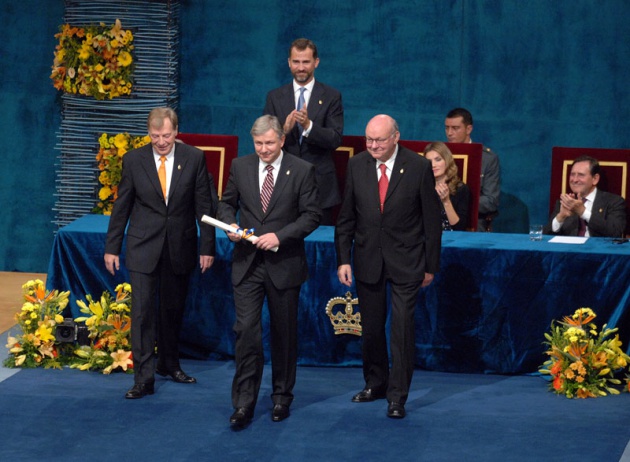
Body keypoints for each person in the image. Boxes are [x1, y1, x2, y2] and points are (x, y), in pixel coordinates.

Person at [104, 107, 217, 399]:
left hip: (180, 246)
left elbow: (204, 206)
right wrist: (112, 247)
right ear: (149, 133)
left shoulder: (194, 158)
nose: (161, 141)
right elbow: (122, 207)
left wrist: (207, 247)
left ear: (176, 131)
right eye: (155, 136)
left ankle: (169, 364)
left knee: (172, 310)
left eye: (166, 135)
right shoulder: (133, 160)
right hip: (143, 247)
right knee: (142, 313)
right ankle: (143, 378)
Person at [335, 114, 442, 419]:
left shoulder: (419, 166)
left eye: (380, 139)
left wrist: (430, 265)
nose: (373, 145)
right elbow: (346, 217)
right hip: (368, 259)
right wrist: (343, 257)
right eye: (369, 139)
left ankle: (397, 396)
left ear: (396, 137)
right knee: (370, 330)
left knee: (402, 330)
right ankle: (375, 384)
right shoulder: (357, 165)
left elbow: (431, 221)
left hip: (408, 262)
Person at [218, 115, 321, 428]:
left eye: (269, 143)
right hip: (247, 263)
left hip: (284, 264)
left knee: (283, 334)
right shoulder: (240, 166)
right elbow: (226, 204)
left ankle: (281, 397)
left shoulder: (302, 171)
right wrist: (230, 226)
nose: (263, 149)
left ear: (282, 141)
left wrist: (280, 236)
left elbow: (312, 216)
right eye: (258, 143)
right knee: (246, 332)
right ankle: (244, 404)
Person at [263, 38, 343, 225]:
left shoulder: (331, 96)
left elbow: (335, 139)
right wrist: (283, 130)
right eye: (296, 62)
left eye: (306, 62)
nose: (301, 67)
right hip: (282, 187)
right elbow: (264, 141)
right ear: (289, 62)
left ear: (316, 62)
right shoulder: (274, 97)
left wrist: (308, 126)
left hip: (320, 189)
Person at [444, 107, 500, 231]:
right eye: (447, 127)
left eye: (455, 128)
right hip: (439, 217)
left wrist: (457, 204)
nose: (449, 133)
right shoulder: (439, 155)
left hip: (474, 219)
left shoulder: (487, 158)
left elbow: (491, 201)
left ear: (468, 129)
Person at [543, 155, 627, 237]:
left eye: (581, 175)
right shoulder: (564, 202)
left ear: (595, 179)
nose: (574, 180)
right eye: (572, 174)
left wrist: (583, 212)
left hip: (598, 250)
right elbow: (546, 236)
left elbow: (615, 232)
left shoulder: (614, 202)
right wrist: (560, 217)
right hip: (569, 250)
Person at [423, 141, 470, 231]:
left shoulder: (460, 189)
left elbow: (459, 228)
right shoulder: (422, 186)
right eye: (429, 161)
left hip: (450, 238)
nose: (433, 165)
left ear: (447, 161)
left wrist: (446, 201)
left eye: (438, 159)